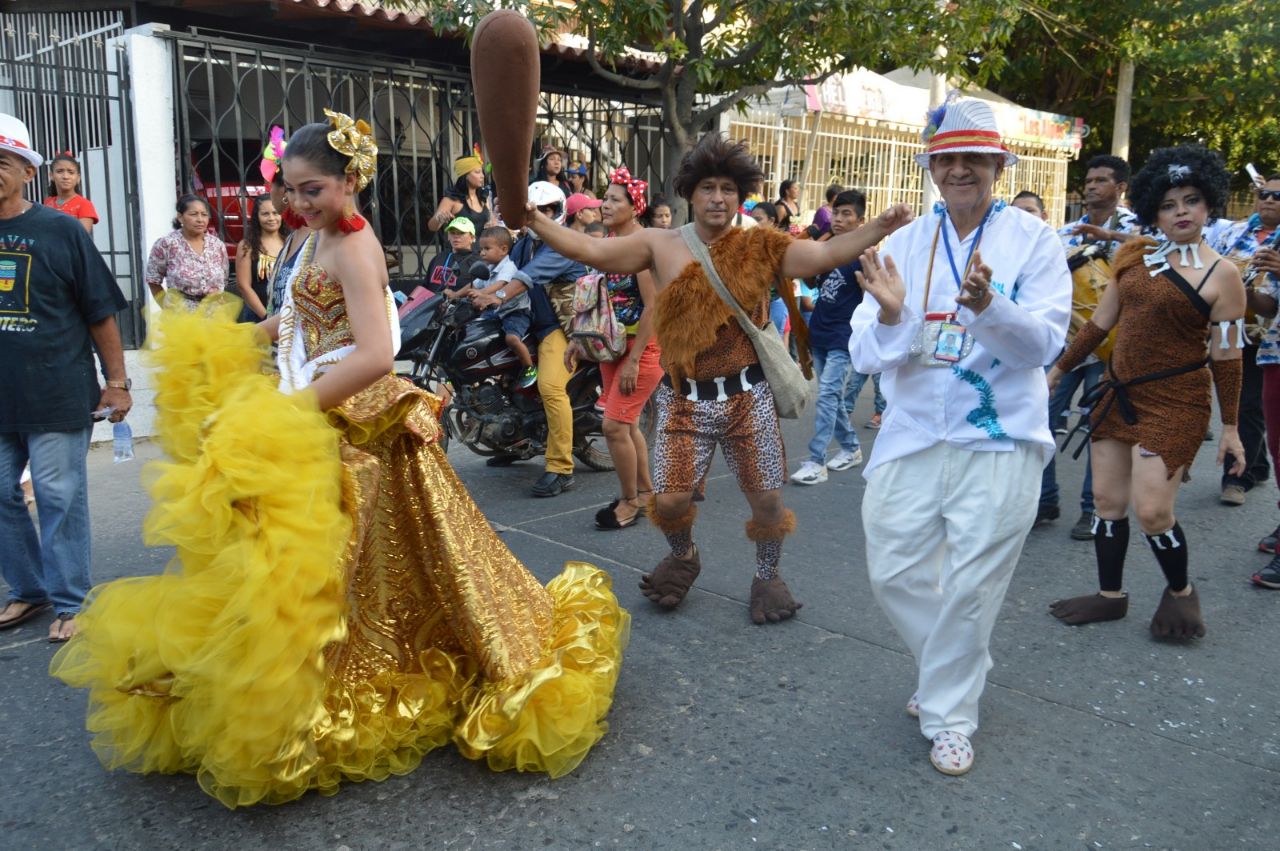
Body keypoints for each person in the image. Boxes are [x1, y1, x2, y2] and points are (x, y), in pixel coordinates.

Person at [49, 109, 628, 808]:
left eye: (313, 188)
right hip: (311, 408)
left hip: (353, 424)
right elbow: (295, 320)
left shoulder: (354, 246)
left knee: (356, 561)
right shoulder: (311, 238)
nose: (298, 202)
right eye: (290, 190)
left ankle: (340, 682)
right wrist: (241, 342)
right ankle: (299, 677)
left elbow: (378, 352)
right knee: (301, 562)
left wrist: (295, 409)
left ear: (352, 180)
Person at [523, 132, 912, 625]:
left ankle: (767, 575)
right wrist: (534, 220)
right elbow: (591, 252)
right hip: (683, 400)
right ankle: (683, 556)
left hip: (749, 399)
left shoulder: (759, 247)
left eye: (728, 188)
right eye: (708, 187)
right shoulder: (658, 243)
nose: (718, 198)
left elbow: (821, 258)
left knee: (768, 500)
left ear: (740, 194)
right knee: (670, 500)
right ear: (690, 192)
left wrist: (878, 225)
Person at [849, 98, 1071, 776]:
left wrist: (989, 306)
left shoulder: (1034, 240)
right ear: (932, 168)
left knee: (974, 583)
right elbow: (864, 352)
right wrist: (890, 316)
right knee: (892, 567)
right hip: (913, 431)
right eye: (948, 159)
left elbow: (1044, 344)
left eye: (975, 158)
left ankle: (949, 713)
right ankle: (958, 659)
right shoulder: (906, 244)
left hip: (1000, 436)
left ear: (999, 166)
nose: (961, 170)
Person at [1048, 144, 1245, 641]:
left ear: (1209, 206)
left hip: (1178, 401)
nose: (1181, 212)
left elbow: (1227, 355)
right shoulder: (1133, 255)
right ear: (1154, 209)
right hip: (1118, 396)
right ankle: (1110, 597)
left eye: (1192, 200)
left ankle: (1181, 594)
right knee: (1108, 503)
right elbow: (1098, 324)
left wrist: (1231, 426)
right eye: (1169, 203)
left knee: (1154, 510)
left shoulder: (1224, 274)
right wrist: (1057, 372)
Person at [0, 113, 131, 643]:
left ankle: (71, 601)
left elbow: (100, 311)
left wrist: (117, 382)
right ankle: (28, 589)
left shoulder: (59, 230)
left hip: (56, 387)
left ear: (28, 172)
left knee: (58, 494)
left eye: (1, 163)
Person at [1038, 155, 1141, 540]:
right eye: (1089, 179)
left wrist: (1110, 240)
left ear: (1121, 188)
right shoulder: (1067, 231)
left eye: (1101, 180)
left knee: (1098, 427)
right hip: (1067, 341)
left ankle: (1092, 509)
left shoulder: (1137, 227)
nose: (1092, 185)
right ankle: (1044, 500)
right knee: (1043, 418)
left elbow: (1160, 254)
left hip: (1114, 341)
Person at [474, 181, 587, 495]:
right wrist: (476, 291)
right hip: (530, 324)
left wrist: (498, 297)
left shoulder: (562, 244)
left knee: (549, 387)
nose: (541, 215)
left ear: (558, 211)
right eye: (536, 210)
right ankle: (512, 442)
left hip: (560, 328)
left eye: (548, 209)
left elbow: (526, 278)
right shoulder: (523, 243)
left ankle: (561, 468)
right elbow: (506, 270)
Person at [591, 166, 664, 531]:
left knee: (613, 427)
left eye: (614, 199)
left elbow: (653, 306)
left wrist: (635, 360)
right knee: (629, 424)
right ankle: (648, 494)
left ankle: (629, 501)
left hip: (642, 348)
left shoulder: (642, 247)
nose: (605, 204)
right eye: (605, 198)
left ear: (633, 207)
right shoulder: (608, 241)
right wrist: (579, 343)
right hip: (611, 347)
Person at [1216, 175, 1280, 584]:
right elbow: (1269, 307)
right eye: (1265, 193)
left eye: (1279, 196)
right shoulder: (1240, 234)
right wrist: (1238, 289)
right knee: (1276, 446)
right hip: (1270, 350)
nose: (1270, 200)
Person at [791, 189, 869, 485]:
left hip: (843, 337)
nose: (839, 218)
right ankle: (850, 448)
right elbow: (811, 279)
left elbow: (869, 300)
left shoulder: (863, 255)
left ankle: (816, 461)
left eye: (847, 214)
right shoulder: (826, 248)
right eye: (836, 213)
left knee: (825, 397)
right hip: (819, 333)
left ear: (861, 221)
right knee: (831, 398)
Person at [462, 226, 537, 388]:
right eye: (481, 249)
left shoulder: (508, 267)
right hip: (498, 312)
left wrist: (481, 293)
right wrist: (454, 295)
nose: (482, 253)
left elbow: (500, 285)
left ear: (503, 250)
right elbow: (473, 285)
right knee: (474, 331)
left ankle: (529, 367)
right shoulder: (488, 268)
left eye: (487, 249)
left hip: (516, 312)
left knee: (511, 338)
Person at [145, 194, 228, 307]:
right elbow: (153, 279)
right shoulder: (167, 244)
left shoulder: (217, 245)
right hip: (182, 313)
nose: (200, 219)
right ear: (180, 217)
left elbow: (224, 277)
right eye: (193, 214)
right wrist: (165, 306)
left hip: (215, 313)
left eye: (204, 215)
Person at [234, 196, 287, 321]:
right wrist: (266, 317)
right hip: (258, 316)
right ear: (256, 217)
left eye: (275, 213)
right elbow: (243, 286)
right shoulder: (247, 245)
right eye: (265, 214)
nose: (271, 218)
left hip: (288, 318)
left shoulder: (291, 241)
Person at [428, 151, 492, 236]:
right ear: (465, 175)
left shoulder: (483, 196)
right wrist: (439, 218)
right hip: (461, 248)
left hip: (482, 248)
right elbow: (432, 227)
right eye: (477, 172)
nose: (482, 176)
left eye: (482, 172)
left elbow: (491, 221)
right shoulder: (451, 199)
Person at [42, 152, 98, 233]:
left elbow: (80, 238)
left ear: (78, 178)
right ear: (51, 175)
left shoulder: (85, 205)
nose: (65, 176)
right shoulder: (48, 203)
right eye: (60, 171)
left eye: (71, 172)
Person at [424, 216, 478, 294]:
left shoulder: (477, 261)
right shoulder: (439, 258)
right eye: (452, 233)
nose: (456, 236)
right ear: (448, 236)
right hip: (433, 303)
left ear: (472, 237)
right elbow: (425, 286)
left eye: (461, 233)